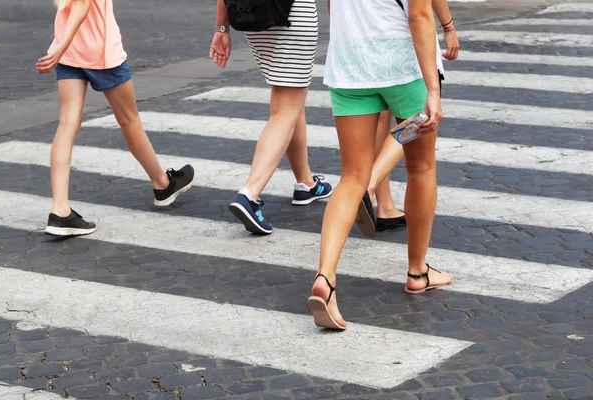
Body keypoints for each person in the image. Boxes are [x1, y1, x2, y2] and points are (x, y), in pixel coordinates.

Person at [307, 0, 453, 330]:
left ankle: (325, 279)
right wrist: (433, 89)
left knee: (352, 177)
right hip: (403, 66)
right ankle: (418, 272)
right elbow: (418, 13)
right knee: (421, 168)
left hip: (349, 63)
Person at [37, 0, 194, 237]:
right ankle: (162, 185)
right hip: (100, 53)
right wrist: (59, 47)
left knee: (67, 124)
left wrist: (61, 47)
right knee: (129, 120)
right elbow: (81, 5)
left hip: (70, 53)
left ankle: (60, 210)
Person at [210, 0, 333, 236]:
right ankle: (250, 194)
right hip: (292, 15)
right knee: (286, 109)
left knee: (291, 97)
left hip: (254, 15)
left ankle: (306, 183)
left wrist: (221, 27)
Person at [367, 0, 460, 234]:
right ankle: (370, 183)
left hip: (365, 44)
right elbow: (421, 11)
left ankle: (385, 206)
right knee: (419, 120)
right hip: (406, 47)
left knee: (382, 119)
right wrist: (448, 26)